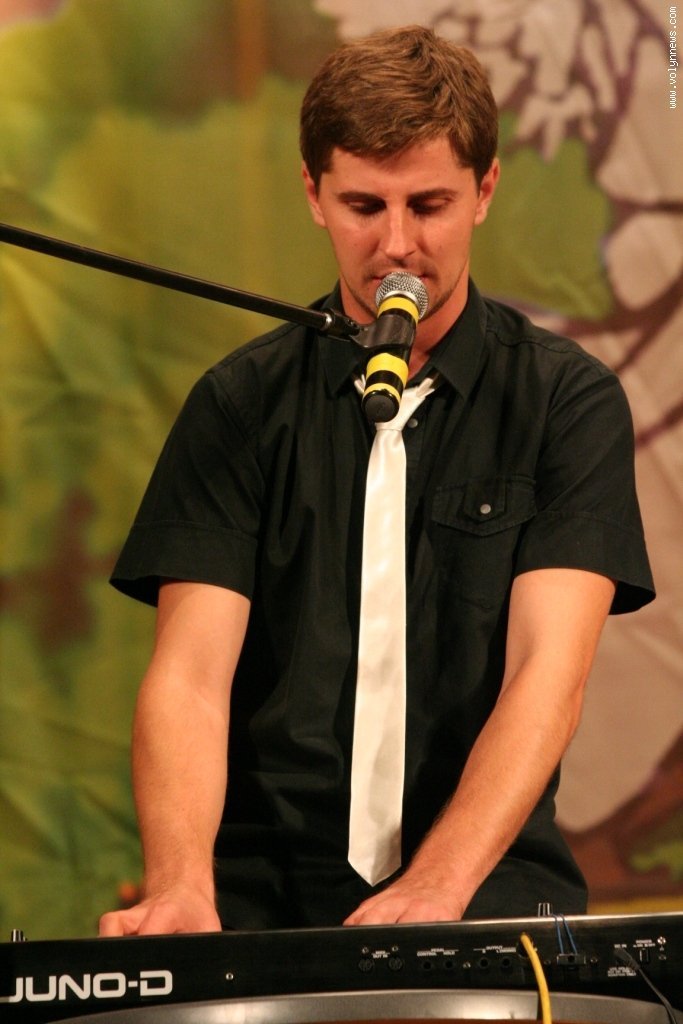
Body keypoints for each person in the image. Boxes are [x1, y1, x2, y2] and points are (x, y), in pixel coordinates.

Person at [98, 25, 654, 937]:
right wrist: (180, 885)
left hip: (485, 895)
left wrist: (436, 887)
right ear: (313, 194)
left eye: (428, 204)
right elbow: (190, 677)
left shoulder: (565, 402)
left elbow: (546, 673)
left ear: (484, 191)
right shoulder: (239, 404)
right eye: (363, 205)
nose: (397, 245)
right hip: (261, 901)